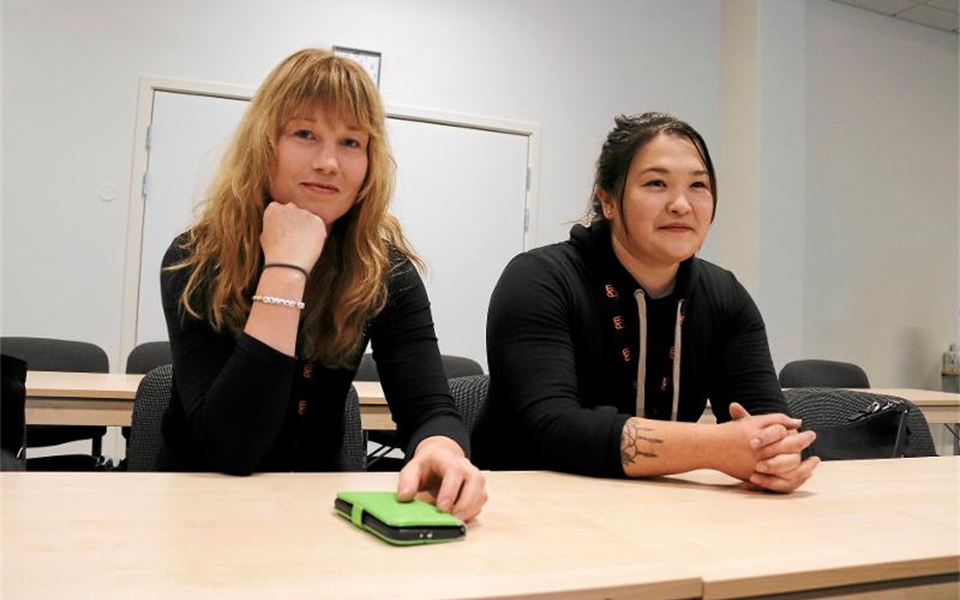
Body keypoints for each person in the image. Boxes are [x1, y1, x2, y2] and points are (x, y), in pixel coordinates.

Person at [159, 48, 486, 520]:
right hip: (199, 504)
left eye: (351, 142)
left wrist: (441, 450)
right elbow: (233, 449)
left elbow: (429, 407)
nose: (329, 162)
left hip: (318, 506)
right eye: (305, 134)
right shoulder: (196, 257)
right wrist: (286, 266)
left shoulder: (384, 270)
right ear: (264, 143)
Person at [473, 112, 819, 493]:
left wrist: (781, 458)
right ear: (608, 201)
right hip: (529, 505)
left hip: (658, 509)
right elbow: (552, 429)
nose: (681, 204)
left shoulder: (725, 296)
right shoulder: (540, 279)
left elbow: (774, 427)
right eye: (656, 183)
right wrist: (715, 447)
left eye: (698, 185)